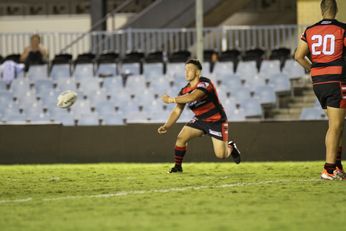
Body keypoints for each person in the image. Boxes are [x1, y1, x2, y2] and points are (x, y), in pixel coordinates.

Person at [158, 59, 241, 173]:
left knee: (221, 155)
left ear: (197, 72)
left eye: (189, 70)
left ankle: (231, 147)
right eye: (185, 70)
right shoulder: (184, 91)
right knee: (181, 138)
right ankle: (178, 167)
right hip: (200, 119)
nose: (186, 72)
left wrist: (171, 99)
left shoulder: (205, 83)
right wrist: (167, 126)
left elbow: (193, 97)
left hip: (216, 121)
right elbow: (177, 111)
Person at [295, 0, 346, 180]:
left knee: (334, 125)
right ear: (336, 9)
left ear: (321, 10)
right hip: (337, 80)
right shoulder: (342, 28)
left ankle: (337, 166)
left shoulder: (309, 30)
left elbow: (298, 56)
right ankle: (329, 168)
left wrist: (313, 69)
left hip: (319, 82)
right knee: (336, 126)